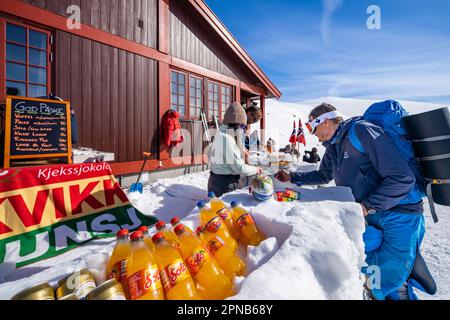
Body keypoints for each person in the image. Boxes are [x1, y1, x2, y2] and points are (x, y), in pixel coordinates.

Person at [275, 102, 428, 300]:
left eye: (313, 127)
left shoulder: (361, 131)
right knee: (373, 270)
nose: (312, 133)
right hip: (372, 214)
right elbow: (323, 175)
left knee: (392, 277)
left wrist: (367, 206)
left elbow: (402, 178)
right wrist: (293, 178)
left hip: (400, 213)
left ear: (327, 121)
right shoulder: (334, 144)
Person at [208, 102, 262, 197]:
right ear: (236, 123)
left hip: (217, 180)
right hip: (224, 185)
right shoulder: (227, 138)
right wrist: (256, 169)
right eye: (241, 125)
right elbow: (239, 168)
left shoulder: (223, 132)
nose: (242, 129)